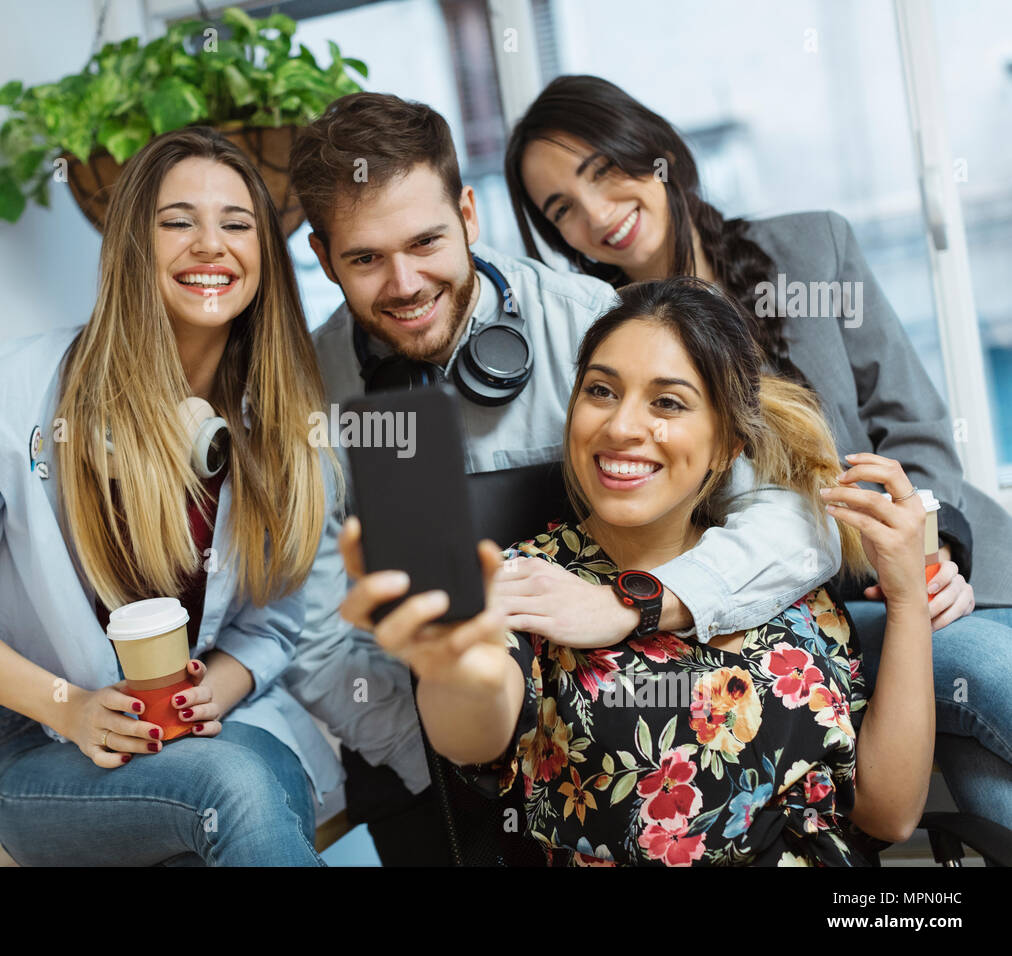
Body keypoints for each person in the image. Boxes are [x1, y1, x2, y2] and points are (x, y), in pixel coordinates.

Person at [283, 92, 850, 865]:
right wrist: (464, 761)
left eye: (426, 242)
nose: (406, 283)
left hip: (616, 720)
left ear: (470, 215)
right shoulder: (302, 395)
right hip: (419, 745)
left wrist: (635, 605)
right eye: (365, 259)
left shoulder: (592, 319)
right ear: (321, 259)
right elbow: (311, 634)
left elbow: (794, 523)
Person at [503, 73, 1012, 827]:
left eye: (603, 173)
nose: (597, 216)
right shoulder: (611, 344)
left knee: (987, 786)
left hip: (947, 579)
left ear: (657, 154)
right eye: (562, 211)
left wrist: (935, 563)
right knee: (978, 678)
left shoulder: (812, 246)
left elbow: (916, 434)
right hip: (805, 617)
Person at [339, 277, 935, 865]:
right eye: (600, 391)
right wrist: (450, 667)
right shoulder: (528, 579)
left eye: (668, 402)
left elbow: (888, 814)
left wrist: (907, 601)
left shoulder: (776, 564)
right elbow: (473, 730)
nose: (621, 426)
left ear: (727, 444)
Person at [0, 127, 343, 866]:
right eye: (177, 222)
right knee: (242, 785)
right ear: (133, 243)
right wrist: (68, 708)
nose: (210, 244)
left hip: (213, 740)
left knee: (252, 778)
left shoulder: (283, 428)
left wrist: (216, 693)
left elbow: (274, 625)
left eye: (237, 223)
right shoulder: (13, 394)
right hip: (47, 750)